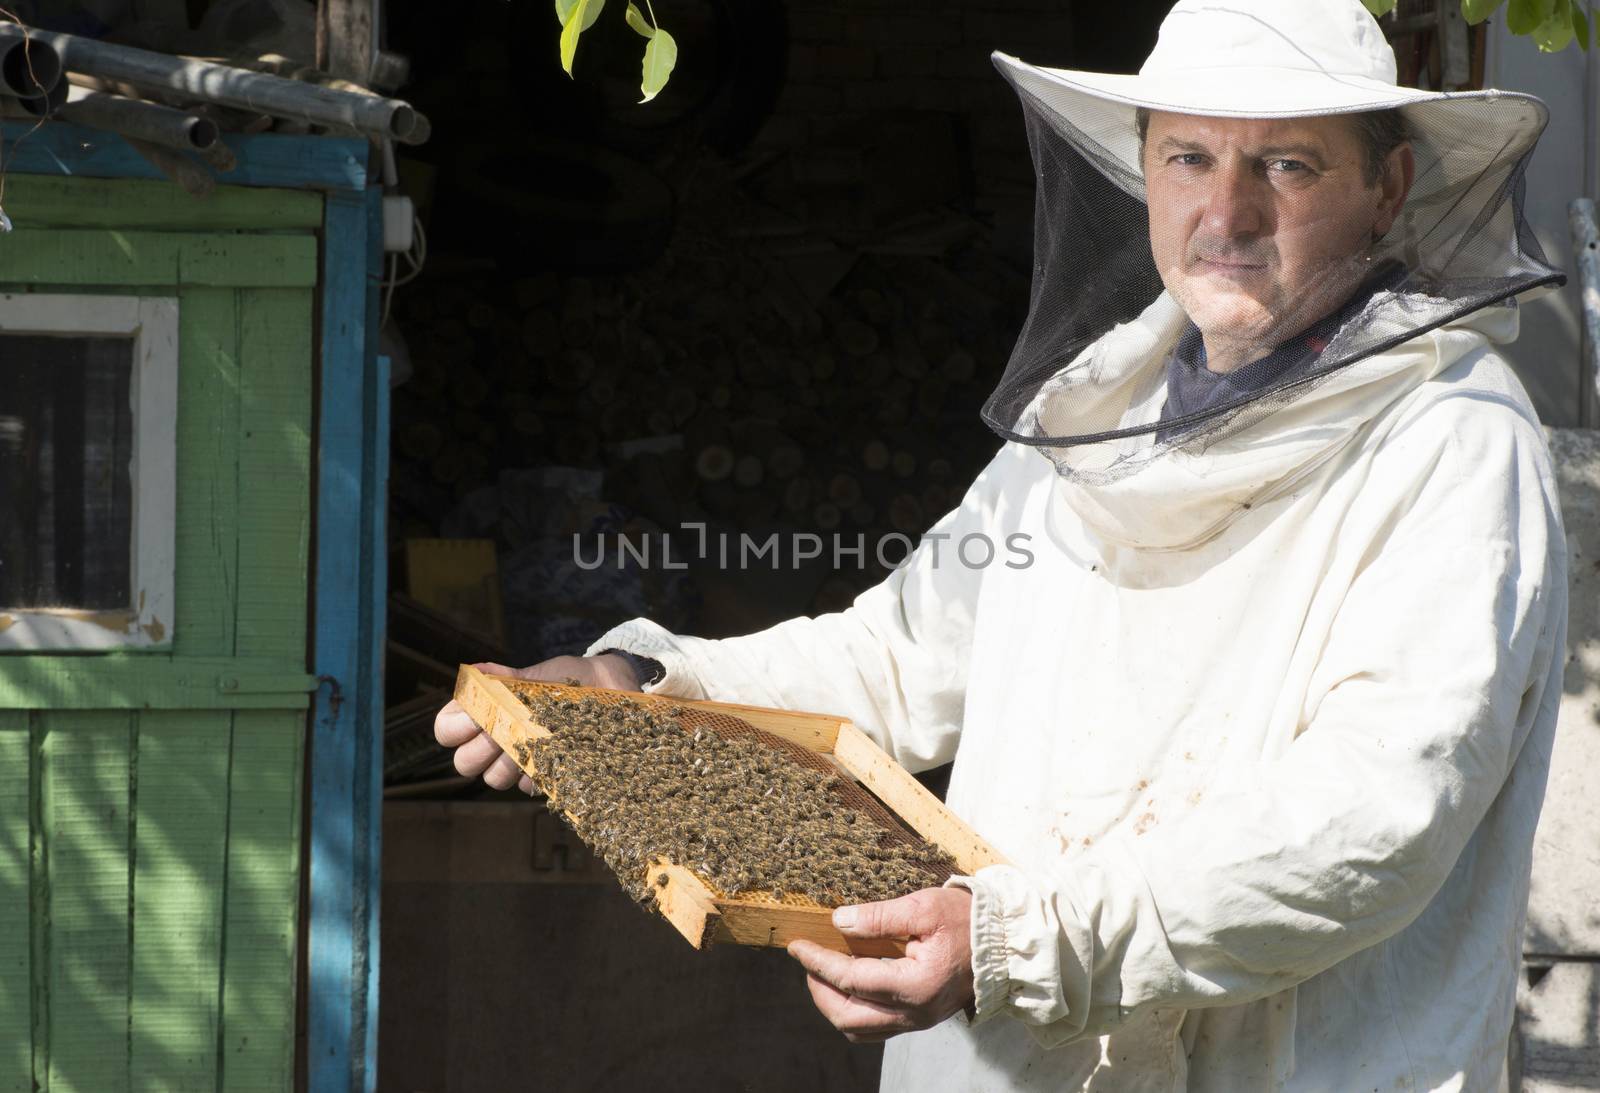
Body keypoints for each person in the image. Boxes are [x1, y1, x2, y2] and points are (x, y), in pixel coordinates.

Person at [435, 0, 1570, 1087]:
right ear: (1140, 173)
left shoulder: (1452, 443)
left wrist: (1020, 942)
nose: (1224, 214)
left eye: (1286, 163)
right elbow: (894, 655)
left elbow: (1375, 811)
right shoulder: (1087, 429)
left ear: (1390, 188)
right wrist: (643, 685)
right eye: (1187, 158)